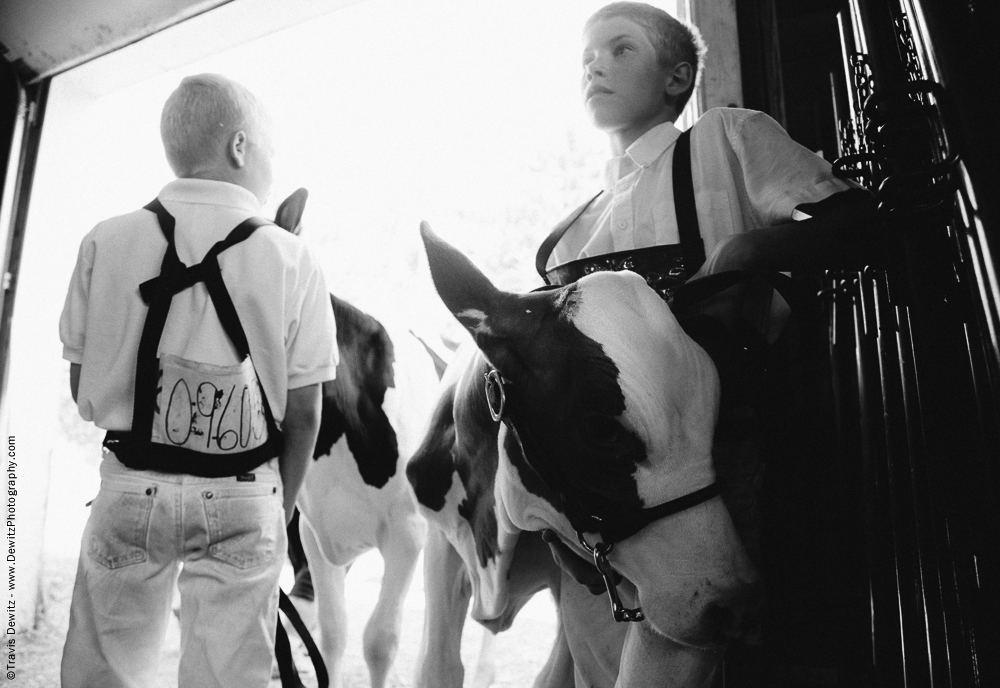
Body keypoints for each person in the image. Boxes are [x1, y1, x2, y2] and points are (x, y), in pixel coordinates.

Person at [538, 2, 880, 589]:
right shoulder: (571, 231)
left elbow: (860, 224)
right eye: (586, 58)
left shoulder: (726, 136)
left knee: (723, 633)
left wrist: (751, 251)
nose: (595, 67)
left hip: (728, 449)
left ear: (676, 78)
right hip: (606, 484)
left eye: (620, 49)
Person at [58, 73, 337, 688]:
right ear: (240, 147)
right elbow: (306, 414)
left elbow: (82, 382)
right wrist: (277, 511)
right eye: (268, 152)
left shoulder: (104, 239)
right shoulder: (294, 259)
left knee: (103, 674)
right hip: (243, 492)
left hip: (129, 484)